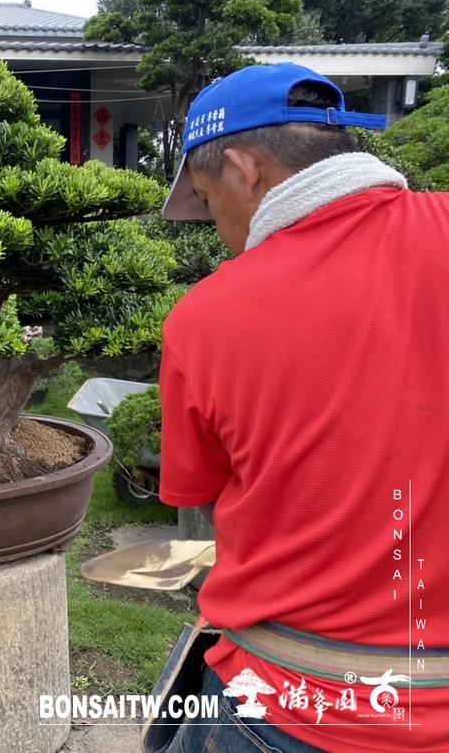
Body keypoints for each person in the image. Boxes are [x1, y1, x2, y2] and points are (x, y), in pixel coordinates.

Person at [156, 62, 449, 752]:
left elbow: (197, 490)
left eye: (207, 200)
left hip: (290, 706)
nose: (219, 230)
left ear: (243, 169)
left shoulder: (206, 318)